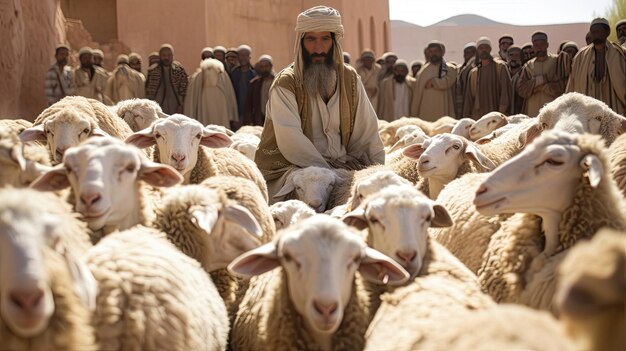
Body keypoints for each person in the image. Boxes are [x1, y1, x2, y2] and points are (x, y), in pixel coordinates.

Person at [255, 6, 384, 202]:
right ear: (301, 42)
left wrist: (378, 171)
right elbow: (292, 142)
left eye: (325, 39)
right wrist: (331, 172)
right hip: (297, 167)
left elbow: (366, 132)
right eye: (311, 39)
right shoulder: (285, 84)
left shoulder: (350, 79)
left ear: (334, 42)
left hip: (345, 166)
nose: (318, 48)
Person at [567, 18, 626, 115]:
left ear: (607, 32)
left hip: (613, 105)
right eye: (593, 31)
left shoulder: (619, 53)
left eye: (599, 30)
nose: (595, 33)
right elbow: (572, 83)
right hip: (589, 107)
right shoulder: (581, 56)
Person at [516, 31, 569, 117]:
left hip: (554, 111)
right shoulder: (528, 66)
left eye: (542, 44)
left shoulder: (557, 61)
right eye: (536, 45)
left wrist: (536, 85)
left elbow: (563, 85)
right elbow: (521, 89)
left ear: (547, 45)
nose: (539, 47)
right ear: (533, 47)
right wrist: (542, 80)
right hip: (533, 112)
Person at [463, 37, 512, 119]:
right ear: (477, 51)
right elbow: (469, 99)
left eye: (486, 48)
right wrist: (467, 117)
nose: (483, 50)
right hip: (477, 116)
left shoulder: (500, 67)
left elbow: (505, 92)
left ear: (490, 49)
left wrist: (501, 113)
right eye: (481, 48)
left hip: (496, 115)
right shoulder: (474, 73)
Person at [184, 58, 238, 129]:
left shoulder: (200, 75)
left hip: (215, 102)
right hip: (211, 102)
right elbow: (230, 95)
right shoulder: (221, 74)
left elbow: (192, 96)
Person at [410, 41, 457, 120]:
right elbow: (417, 94)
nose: (433, 54)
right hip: (426, 110)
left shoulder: (449, 69)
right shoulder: (423, 71)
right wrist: (414, 113)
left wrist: (434, 82)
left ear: (442, 52)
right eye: (431, 52)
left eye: (436, 51)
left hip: (444, 109)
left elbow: (447, 82)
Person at [145, 44, 188, 114]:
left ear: (173, 56)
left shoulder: (179, 70)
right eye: (164, 55)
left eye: (169, 55)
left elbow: (184, 88)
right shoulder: (153, 71)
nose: (166, 58)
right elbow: (149, 91)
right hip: (158, 107)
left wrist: (182, 104)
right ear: (160, 56)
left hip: (176, 106)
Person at [243, 55, 275, 126]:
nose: (264, 69)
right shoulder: (254, 83)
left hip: (274, 117)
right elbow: (248, 104)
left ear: (271, 66)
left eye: (266, 66)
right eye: (262, 67)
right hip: (259, 117)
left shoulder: (277, 81)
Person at [230, 44, 257, 127]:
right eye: (241, 55)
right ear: (238, 57)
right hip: (237, 108)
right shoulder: (233, 73)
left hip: (251, 110)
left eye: (246, 55)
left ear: (249, 57)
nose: (243, 58)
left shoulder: (255, 73)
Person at [507, 45, 524, 114]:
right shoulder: (504, 73)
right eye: (511, 55)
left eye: (517, 55)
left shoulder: (524, 73)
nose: (514, 58)